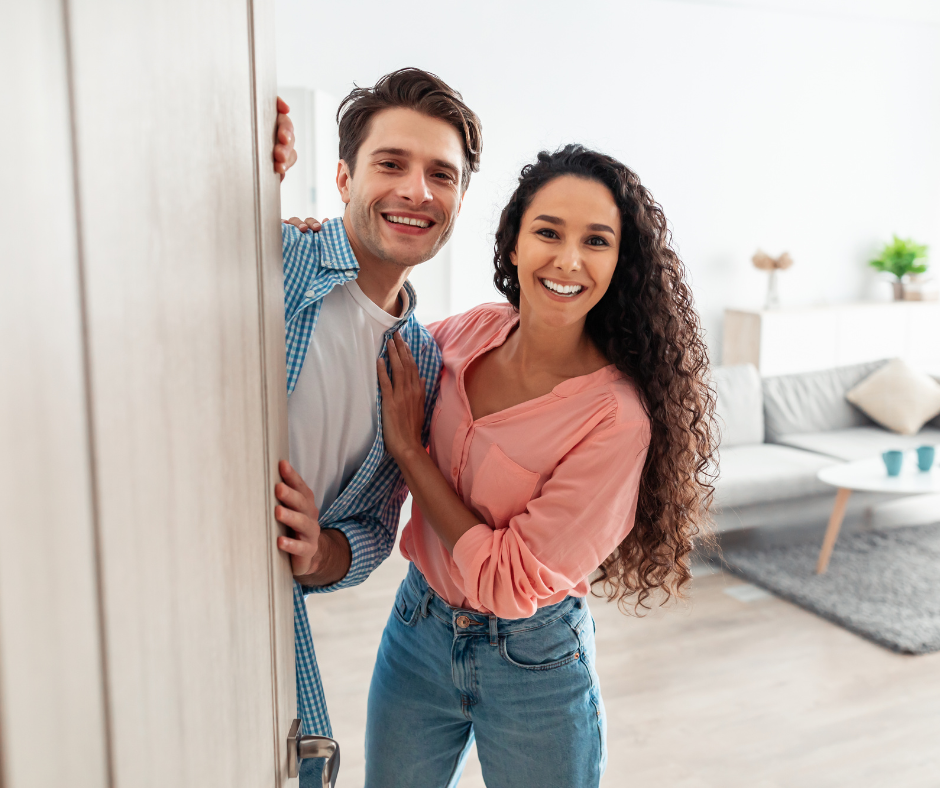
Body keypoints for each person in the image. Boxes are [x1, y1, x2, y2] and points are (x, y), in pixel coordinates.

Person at [367, 144, 717, 787]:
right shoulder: (467, 333)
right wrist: (315, 241)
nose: (569, 260)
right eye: (548, 232)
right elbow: (366, 341)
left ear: (621, 262)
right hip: (418, 628)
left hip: (533, 662)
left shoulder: (615, 420)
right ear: (513, 246)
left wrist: (412, 456)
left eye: (597, 240)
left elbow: (506, 581)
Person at [270, 67, 482, 786]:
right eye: (391, 163)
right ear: (342, 177)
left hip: (259, 615)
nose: (417, 191)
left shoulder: (419, 363)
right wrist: (245, 169)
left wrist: (320, 551)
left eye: (441, 175)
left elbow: (372, 529)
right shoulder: (275, 259)